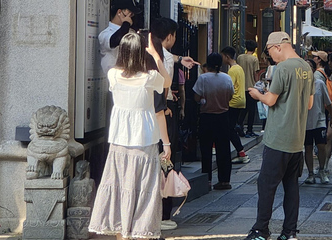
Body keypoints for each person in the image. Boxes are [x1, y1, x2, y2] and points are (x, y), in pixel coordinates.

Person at [89, 32, 171, 239]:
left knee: (119, 187)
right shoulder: (149, 78)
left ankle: (121, 232)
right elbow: (167, 81)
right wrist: (156, 56)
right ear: (141, 52)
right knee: (144, 189)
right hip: (144, 141)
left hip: (119, 141)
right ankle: (139, 232)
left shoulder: (113, 75)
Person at [243, 32, 314, 240]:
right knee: (291, 187)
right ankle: (289, 232)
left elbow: (271, 100)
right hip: (297, 139)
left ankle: (261, 230)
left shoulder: (283, 68)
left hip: (278, 137)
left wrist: (257, 95)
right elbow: (309, 104)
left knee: (266, 185)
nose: (270, 56)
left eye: (269, 51)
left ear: (278, 47)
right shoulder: (306, 67)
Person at [150, 17, 197, 231]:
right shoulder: (164, 57)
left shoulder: (145, 50)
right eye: (175, 35)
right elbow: (164, 88)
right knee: (165, 162)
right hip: (162, 113)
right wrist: (168, 104)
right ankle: (163, 213)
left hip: (142, 116)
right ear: (169, 36)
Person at [193, 52, 234, 190]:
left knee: (206, 150)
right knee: (224, 149)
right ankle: (224, 180)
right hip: (223, 116)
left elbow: (196, 97)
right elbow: (230, 96)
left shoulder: (203, 78)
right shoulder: (227, 78)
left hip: (207, 117)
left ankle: (207, 179)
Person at [304, 60, 331, 184]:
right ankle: (310, 173)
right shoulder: (299, 85)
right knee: (308, 147)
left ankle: (322, 169)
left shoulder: (319, 83)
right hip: (305, 121)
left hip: (319, 120)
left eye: (309, 67)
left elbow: (327, 102)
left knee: (321, 146)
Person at [221, 46, 250, 163]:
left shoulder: (232, 70)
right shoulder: (239, 68)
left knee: (229, 129)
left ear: (227, 56)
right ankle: (241, 152)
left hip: (233, 101)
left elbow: (229, 87)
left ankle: (242, 153)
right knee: (231, 127)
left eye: (223, 56)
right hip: (241, 100)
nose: (222, 58)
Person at [98, 0, 140, 74]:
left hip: (130, 77)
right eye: (130, 13)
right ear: (119, 12)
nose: (132, 16)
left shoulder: (131, 31)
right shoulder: (105, 33)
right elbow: (116, 40)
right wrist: (126, 23)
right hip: (113, 79)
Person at [237, 40, 260, 137]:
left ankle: (239, 125)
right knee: (251, 109)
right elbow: (256, 73)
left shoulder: (240, 57)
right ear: (254, 49)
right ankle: (249, 129)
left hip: (241, 86)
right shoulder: (254, 59)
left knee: (243, 108)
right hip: (251, 86)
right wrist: (258, 84)